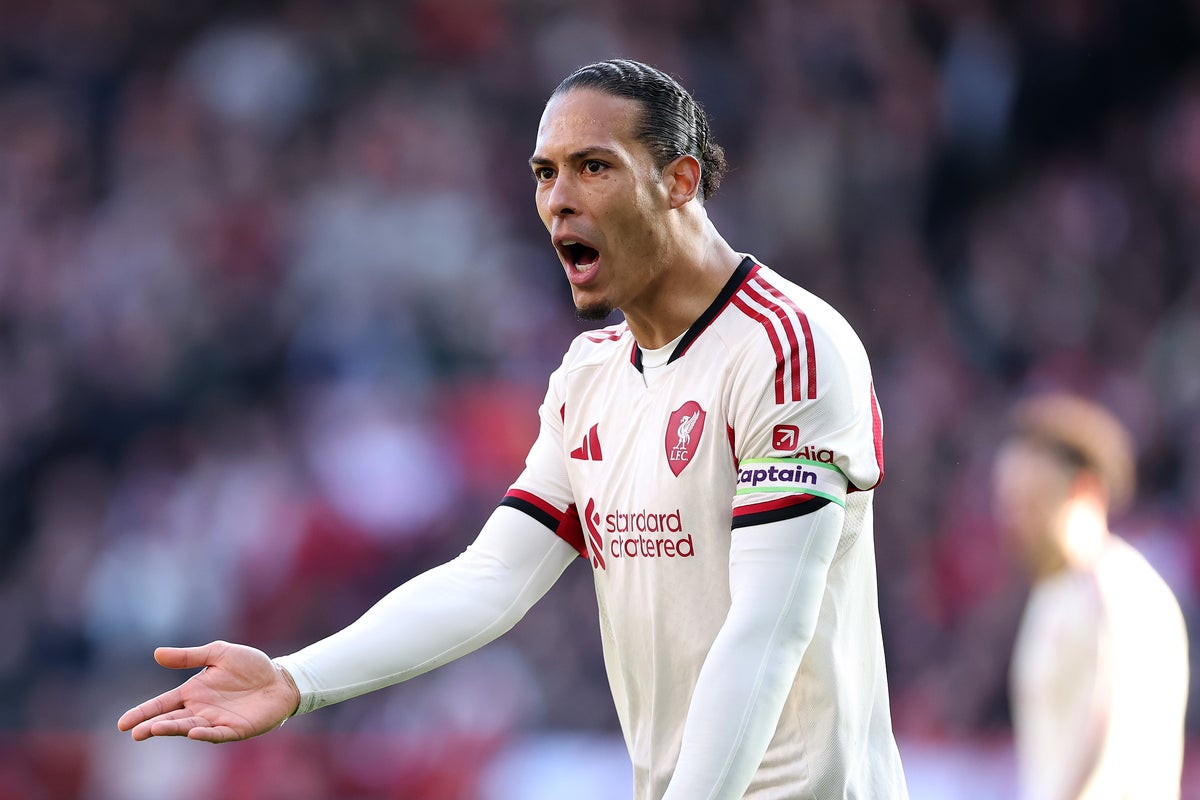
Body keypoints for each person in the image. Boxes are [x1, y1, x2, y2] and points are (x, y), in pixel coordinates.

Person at [118, 58, 910, 799]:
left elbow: (768, 628)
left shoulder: (788, 348)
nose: (558, 199)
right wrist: (298, 679)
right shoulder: (590, 376)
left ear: (678, 181)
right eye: (545, 173)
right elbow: (491, 577)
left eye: (593, 167)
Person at [992, 393, 1189, 800]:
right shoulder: (1054, 593)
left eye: (1031, 502)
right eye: (1008, 505)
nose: (1014, 522)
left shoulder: (1116, 593)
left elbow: (1108, 739)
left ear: (1083, 491)